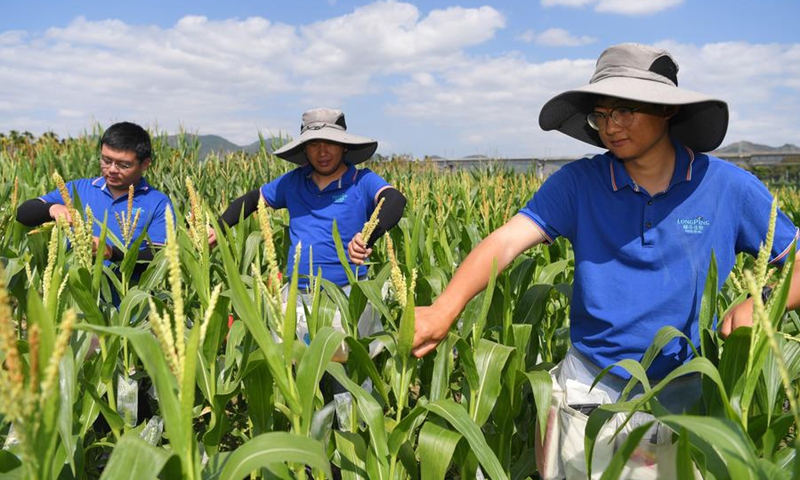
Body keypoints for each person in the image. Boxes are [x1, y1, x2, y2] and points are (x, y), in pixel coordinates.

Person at [411, 43, 800, 477]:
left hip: (688, 400)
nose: (611, 127)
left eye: (625, 112)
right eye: (601, 115)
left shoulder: (729, 188)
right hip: (589, 391)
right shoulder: (579, 183)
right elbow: (504, 243)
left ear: (666, 109)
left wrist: (760, 303)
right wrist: (445, 308)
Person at [209, 107, 406, 345]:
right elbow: (252, 200)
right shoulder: (293, 181)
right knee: (296, 373)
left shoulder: (361, 181)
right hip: (298, 296)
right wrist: (216, 228)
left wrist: (366, 237)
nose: (322, 152)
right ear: (304, 149)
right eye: (314, 144)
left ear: (344, 146)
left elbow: (394, 200)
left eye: (330, 143)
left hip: (347, 297)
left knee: (347, 375)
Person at [16, 121, 172, 278]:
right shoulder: (77, 189)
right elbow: (23, 214)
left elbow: (160, 258)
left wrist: (112, 253)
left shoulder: (158, 203)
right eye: (106, 160)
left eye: (123, 165)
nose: (111, 170)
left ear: (145, 164)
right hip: (74, 297)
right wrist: (52, 208)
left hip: (126, 299)